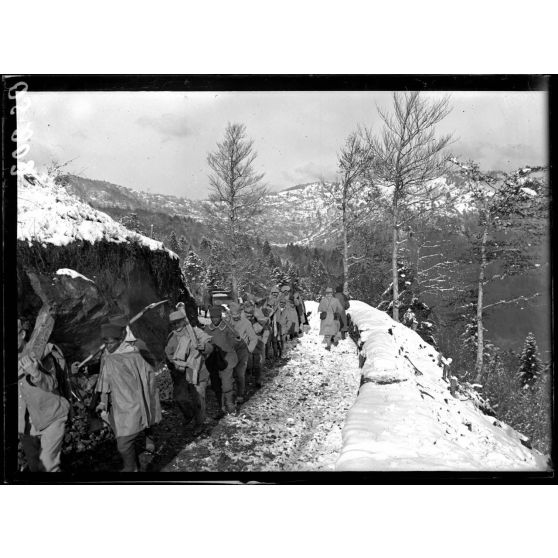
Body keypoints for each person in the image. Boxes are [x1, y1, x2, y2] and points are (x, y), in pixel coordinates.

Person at [95, 322, 162, 472]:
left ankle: (130, 468)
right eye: (105, 342)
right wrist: (103, 401)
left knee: (124, 443)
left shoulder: (133, 355)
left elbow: (148, 378)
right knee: (121, 435)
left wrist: (144, 400)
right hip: (116, 403)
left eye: (111, 342)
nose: (108, 345)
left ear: (120, 340)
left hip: (131, 404)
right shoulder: (107, 354)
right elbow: (104, 377)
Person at [18, 317, 70, 472]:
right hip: (25, 423)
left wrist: (35, 373)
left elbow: (52, 384)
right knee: (35, 467)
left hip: (52, 415)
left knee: (48, 464)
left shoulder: (42, 351)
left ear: (22, 334)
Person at [165, 308, 213, 435]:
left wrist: (204, 348)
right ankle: (189, 415)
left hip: (198, 371)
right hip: (181, 373)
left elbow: (210, 346)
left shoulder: (196, 332)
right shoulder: (172, 337)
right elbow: (168, 354)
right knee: (180, 398)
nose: (176, 326)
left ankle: (199, 423)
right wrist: (176, 363)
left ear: (184, 321)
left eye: (178, 322)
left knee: (198, 400)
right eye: (173, 324)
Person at [205, 305, 239, 414]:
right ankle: (221, 406)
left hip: (227, 359)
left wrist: (236, 338)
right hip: (213, 360)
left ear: (220, 317)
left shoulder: (227, 327)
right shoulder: (207, 329)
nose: (214, 320)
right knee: (216, 385)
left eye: (216, 317)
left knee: (226, 383)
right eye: (212, 318)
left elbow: (234, 342)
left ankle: (229, 403)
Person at [228, 302, 259, 404]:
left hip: (242, 351)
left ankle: (240, 394)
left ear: (240, 312)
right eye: (233, 315)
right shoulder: (227, 322)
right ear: (230, 314)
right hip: (230, 351)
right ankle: (230, 394)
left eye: (237, 314)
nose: (235, 317)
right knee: (230, 374)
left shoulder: (246, 323)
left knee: (240, 373)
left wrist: (248, 350)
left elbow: (254, 339)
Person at [243, 301, 266, 389]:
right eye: (246, 313)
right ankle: (247, 380)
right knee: (247, 363)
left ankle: (258, 380)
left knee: (257, 363)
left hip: (257, 343)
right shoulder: (243, 320)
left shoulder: (257, 318)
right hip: (247, 344)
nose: (248, 315)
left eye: (250, 313)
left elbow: (260, 329)